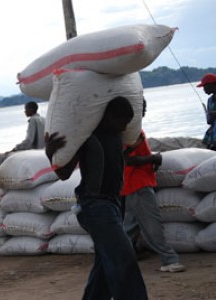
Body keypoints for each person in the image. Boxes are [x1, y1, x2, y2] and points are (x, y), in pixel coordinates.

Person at [45, 96, 148, 300]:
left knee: (104, 264)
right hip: (95, 206)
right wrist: (50, 153)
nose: (124, 126)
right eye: (122, 121)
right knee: (123, 258)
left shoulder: (117, 135)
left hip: (113, 204)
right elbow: (64, 173)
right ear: (109, 116)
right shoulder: (87, 137)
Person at [121, 99, 185, 273]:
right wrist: (153, 159)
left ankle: (115, 258)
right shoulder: (131, 133)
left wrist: (150, 161)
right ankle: (169, 259)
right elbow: (127, 159)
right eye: (142, 109)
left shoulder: (129, 131)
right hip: (137, 184)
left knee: (129, 227)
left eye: (145, 108)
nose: (144, 112)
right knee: (152, 224)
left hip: (131, 185)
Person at [197, 73, 216, 150]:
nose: (203, 89)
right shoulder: (210, 100)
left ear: (212, 85)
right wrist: (209, 116)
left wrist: (214, 113)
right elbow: (209, 122)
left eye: (204, 86)